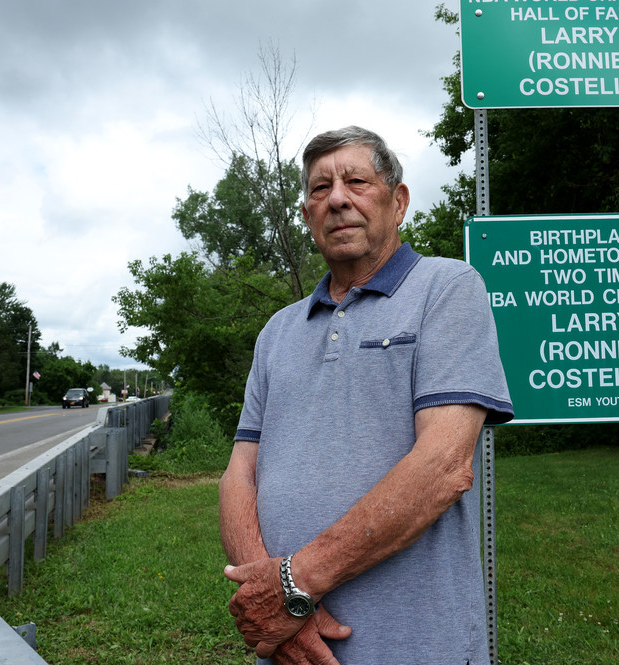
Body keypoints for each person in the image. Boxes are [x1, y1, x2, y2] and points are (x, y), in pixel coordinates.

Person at [219, 125, 514, 664]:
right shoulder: (278, 331)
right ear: (307, 214)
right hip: (289, 646)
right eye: (318, 189)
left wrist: (291, 587)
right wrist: (270, 607)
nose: (336, 199)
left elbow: (445, 465)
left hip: (417, 645)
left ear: (398, 201)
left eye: (356, 180)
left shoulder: (447, 289)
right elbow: (239, 475)